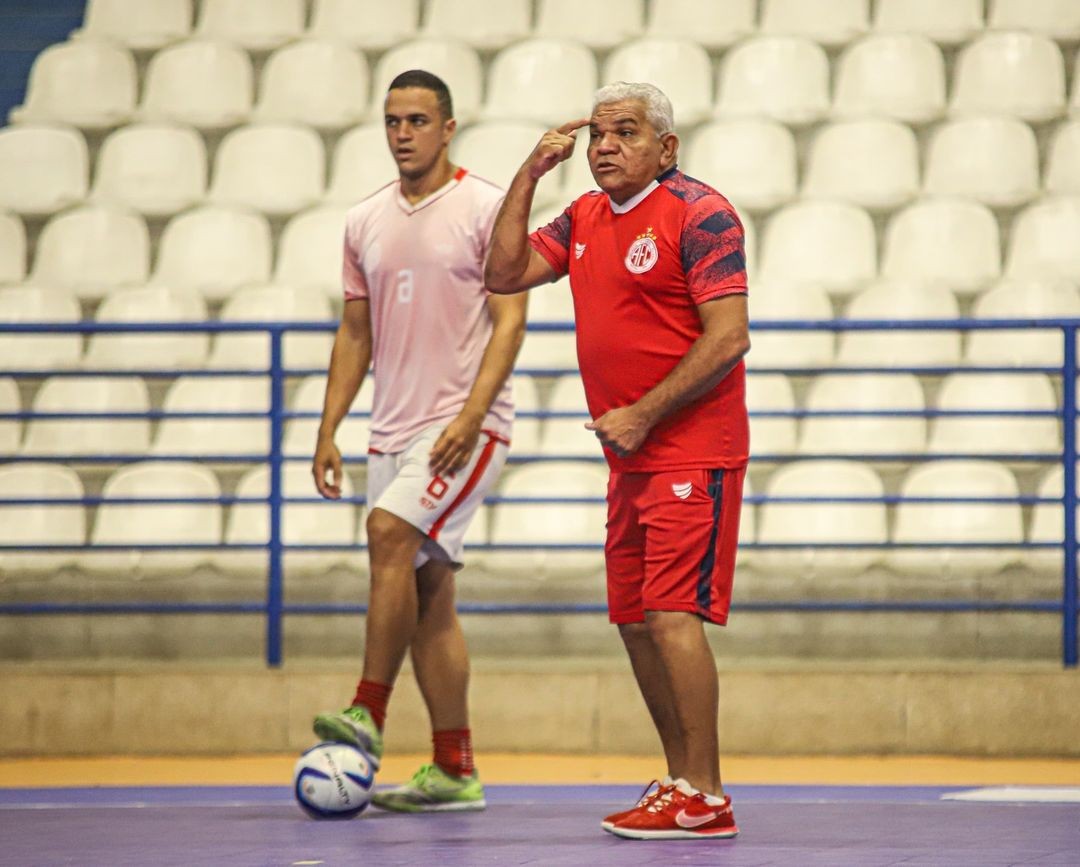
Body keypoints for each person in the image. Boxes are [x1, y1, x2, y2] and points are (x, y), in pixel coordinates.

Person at [484, 81, 749, 840]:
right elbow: (502, 273)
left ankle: (708, 790)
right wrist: (531, 172)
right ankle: (679, 782)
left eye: (624, 132)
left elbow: (729, 336)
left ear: (666, 148)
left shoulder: (700, 212)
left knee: (671, 615)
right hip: (629, 459)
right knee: (635, 621)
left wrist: (642, 413)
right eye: (597, 135)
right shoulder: (583, 217)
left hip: (691, 450)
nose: (603, 146)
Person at [311, 69, 526, 813]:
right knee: (431, 598)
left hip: (462, 428)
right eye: (393, 120)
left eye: (417, 120)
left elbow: (511, 319)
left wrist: (471, 417)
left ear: (448, 127)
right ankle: (454, 768)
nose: (403, 133)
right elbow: (354, 331)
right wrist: (329, 426)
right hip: (390, 431)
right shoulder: (364, 218)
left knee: (386, 533)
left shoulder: (487, 205)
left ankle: (367, 710)